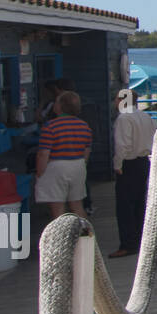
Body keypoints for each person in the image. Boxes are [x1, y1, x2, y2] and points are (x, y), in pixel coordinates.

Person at [110, 89, 157, 258]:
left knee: (125, 206)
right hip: (143, 161)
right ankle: (141, 241)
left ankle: (128, 244)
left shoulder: (124, 118)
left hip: (128, 163)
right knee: (139, 203)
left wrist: (117, 164)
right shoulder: (146, 116)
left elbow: (123, 145)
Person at [34, 91, 94, 220]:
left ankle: (62, 233)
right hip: (78, 165)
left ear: (60, 106)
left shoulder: (50, 126)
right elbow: (86, 151)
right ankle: (85, 232)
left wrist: (40, 171)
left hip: (56, 167)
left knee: (58, 208)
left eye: (56, 102)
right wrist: (82, 165)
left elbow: (43, 153)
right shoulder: (84, 126)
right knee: (77, 206)